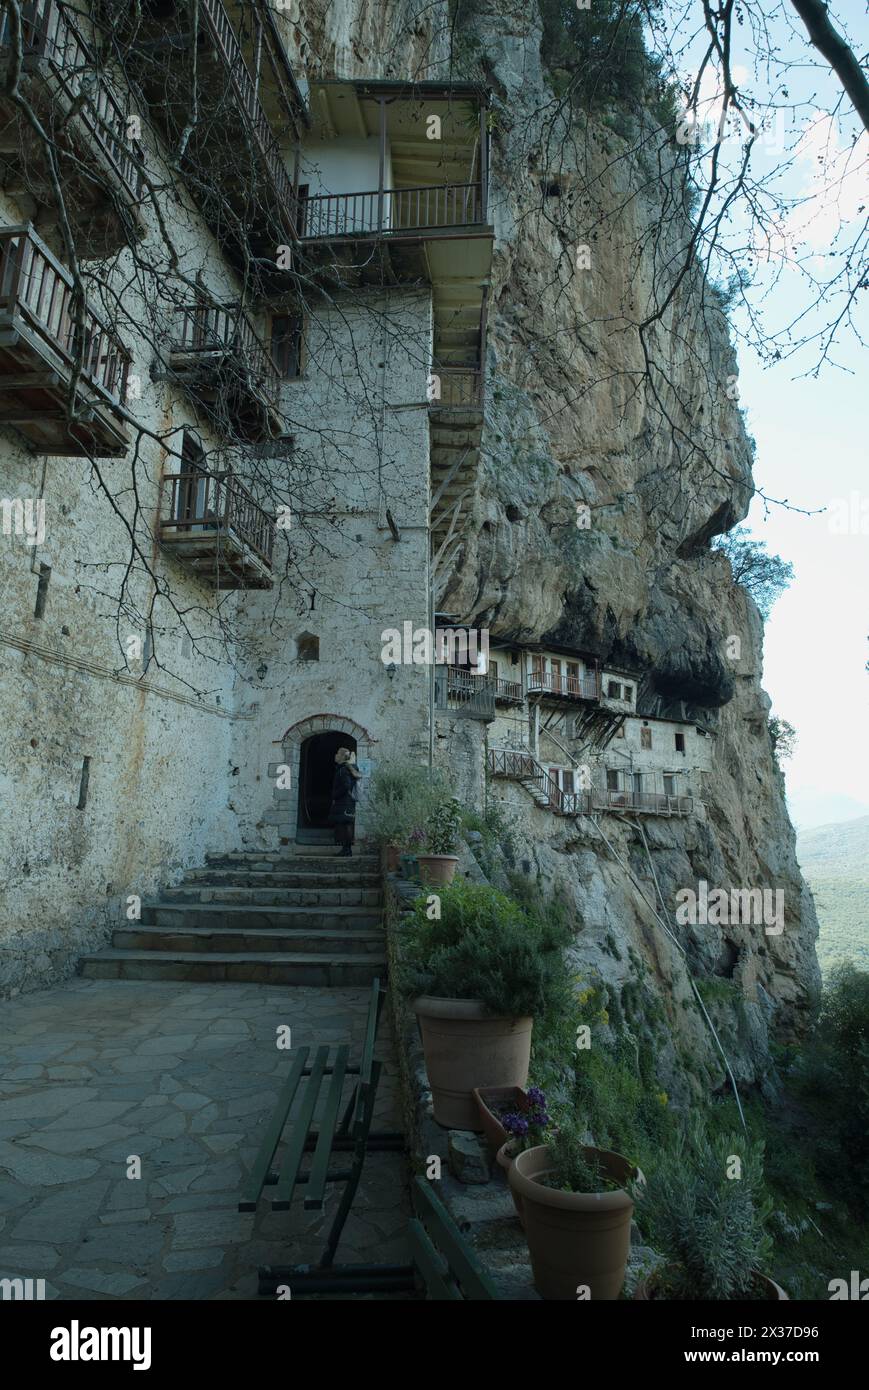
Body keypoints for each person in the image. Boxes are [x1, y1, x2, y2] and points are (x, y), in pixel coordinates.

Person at [329, 747, 362, 857]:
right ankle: (346, 849)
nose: (335, 755)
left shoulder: (344, 770)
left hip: (344, 802)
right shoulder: (347, 769)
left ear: (342, 757)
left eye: (337, 753)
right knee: (346, 824)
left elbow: (346, 785)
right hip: (347, 801)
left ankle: (347, 850)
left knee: (345, 825)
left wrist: (335, 795)